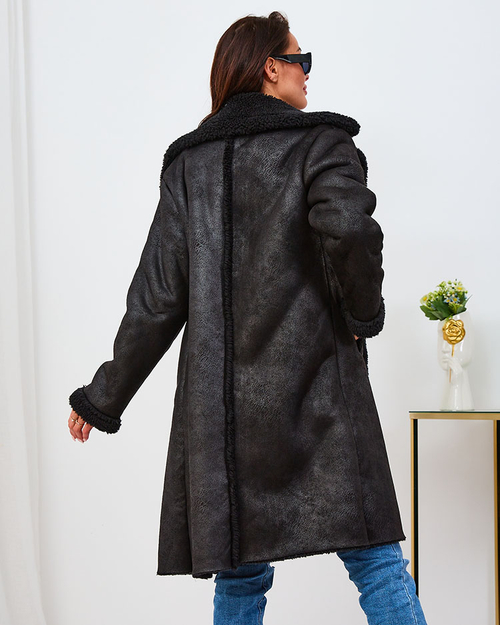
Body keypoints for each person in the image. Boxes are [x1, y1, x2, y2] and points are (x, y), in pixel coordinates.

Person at [68, 11, 428, 625]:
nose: (308, 74)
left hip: (222, 420)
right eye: (300, 60)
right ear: (270, 68)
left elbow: (157, 297)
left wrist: (103, 396)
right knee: (376, 562)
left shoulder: (190, 166)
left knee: (239, 582)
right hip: (321, 395)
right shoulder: (322, 144)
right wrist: (363, 314)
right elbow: (350, 229)